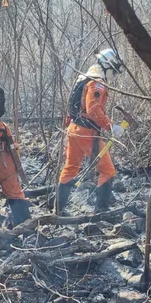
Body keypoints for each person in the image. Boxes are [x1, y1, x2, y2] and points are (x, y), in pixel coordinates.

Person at [56, 48, 126, 214]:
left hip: (74, 129)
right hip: (87, 133)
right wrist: (110, 126)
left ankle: (58, 210)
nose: (114, 76)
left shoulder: (84, 79)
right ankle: (101, 211)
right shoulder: (97, 83)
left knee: (70, 168)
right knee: (108, 171)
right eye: (114, 71)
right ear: (108, 66)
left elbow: (73, 106)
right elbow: (93, 109)